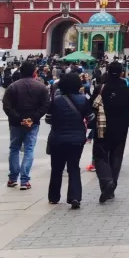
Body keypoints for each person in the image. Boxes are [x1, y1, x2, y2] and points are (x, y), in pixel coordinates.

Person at [45, 73, 91, 208]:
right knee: (74, 167)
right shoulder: (83, 99)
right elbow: (90, 117)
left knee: (56, 168)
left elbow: (48, 119)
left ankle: (54, 196)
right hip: (77, 139)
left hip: (57, 138)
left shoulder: (56, 100)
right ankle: (74, 197)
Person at [2, 61, 50, 190]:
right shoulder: (41, 87)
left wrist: (19, 118)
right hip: (33, 123)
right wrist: (32, 118)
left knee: (14, 148)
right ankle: (24, 180)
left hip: (15, 123)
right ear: (34, 72)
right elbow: (45, 105)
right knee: (29, 149)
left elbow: (7, 106)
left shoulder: (12, 87)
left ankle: (13, 178)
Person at [92, 62, 129, 203]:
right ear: (122, 72)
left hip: (102, 127)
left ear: (107, 71)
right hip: (121, 127)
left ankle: (106, 182)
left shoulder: (100, 88)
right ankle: (112, 187)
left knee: (100, 156)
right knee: (116, 156)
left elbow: (92, 107)